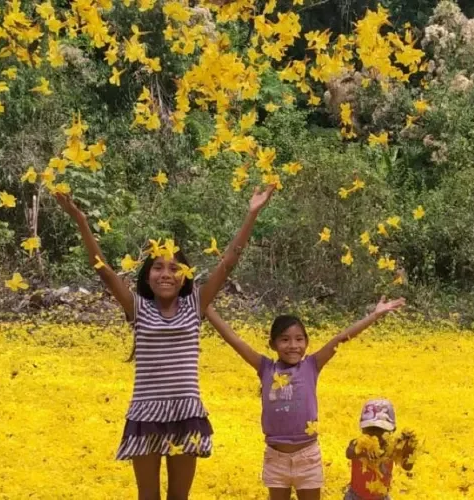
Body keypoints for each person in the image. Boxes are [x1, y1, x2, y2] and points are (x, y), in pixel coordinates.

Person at [54, 185, 274, 500]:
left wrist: (252, 214)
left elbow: (227, 264)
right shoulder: (137, 308)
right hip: (145, 415)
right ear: (147, 276)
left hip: (186, 413)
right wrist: (81, 221)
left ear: (185, 276)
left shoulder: (196, 305)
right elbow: (102, 270)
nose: (165, 273)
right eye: (158, 267)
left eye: (174, 267)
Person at [204, 296, 406, 500]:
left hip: (307, 456)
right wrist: (208, 309)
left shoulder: (311, 366)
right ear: (272, 344)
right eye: (285, 339)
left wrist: (375, 315)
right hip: (276, 457)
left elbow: (341, 338)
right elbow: (235, 340)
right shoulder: (265, 368)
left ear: (307, 343)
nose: (293, 345)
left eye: (299, 339)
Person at [344, 399, 416, 500]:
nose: (374, 433)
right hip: (355, 497)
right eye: (369, 428)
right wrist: (363, 453)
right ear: (362, 429)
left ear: (392, 430)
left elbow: (407, 467)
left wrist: (409, 450)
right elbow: (349, 453)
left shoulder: (394, 447)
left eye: (380, 429)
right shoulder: (357, 444)